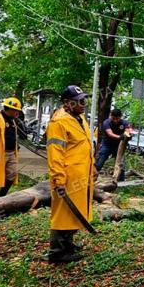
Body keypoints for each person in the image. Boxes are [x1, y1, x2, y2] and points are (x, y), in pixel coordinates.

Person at [45, 85, 95, 264]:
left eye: (84, 100)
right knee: (62, 213)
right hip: (66, 177)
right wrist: (58, 178)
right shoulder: (58, 122)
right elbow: (55, 153)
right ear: (67, 103)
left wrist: (93, 167)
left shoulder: (79, 118)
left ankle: (68, 244)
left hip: (81, 174)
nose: (83, 104)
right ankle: (57, 252)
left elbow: (85, 146)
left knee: (74, 211)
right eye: (80, 101)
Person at [95, 109, 132, 181]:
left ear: (120, 117)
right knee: (99, 162)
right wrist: (119, 137)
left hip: (119, 147)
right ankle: (92, 178)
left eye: (117, 118)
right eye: (113, 118)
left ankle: (121, 181)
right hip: (107, 145)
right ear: (111, 116)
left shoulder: (125, 123)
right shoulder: (107, 122)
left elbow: (129, 130)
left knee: (121, 164)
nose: (115, 120)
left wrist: (128, 134)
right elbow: (110, 133)